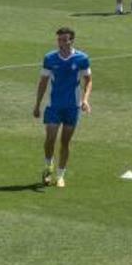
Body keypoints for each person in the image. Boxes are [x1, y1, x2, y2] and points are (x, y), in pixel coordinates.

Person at [33, 27, 92, 188]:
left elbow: (88, 80)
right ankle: (48, 166)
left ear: (71, 40)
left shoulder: (82, 58)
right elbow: (43, 82)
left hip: (72, 107)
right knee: (50, 139)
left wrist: (85, 100)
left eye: (64, 40)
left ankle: (60, 175)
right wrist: (37, 104)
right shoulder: (50, 58)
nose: (61, 43)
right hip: (54, 107)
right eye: (59, 40)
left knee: (65, 142)